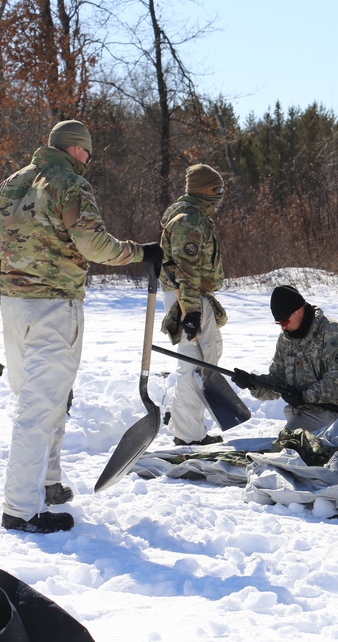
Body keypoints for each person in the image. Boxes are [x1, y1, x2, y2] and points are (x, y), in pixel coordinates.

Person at [0, 119, 161, 533]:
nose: (88, 161)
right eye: (87, 152)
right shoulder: (68, 183)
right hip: (54, 306)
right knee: (40, 407)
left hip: (13, 305)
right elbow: (94, 245)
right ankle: (20, 508)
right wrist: (140, 252)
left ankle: (48, 482)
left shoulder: (14, 181)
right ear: (75, 150)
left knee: (44, 398)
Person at [159, 164, 228, 447]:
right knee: (195, 364)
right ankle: (187, 435)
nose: (221, 196)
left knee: (205, 358)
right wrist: (192, 311)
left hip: (192, 296)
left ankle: (184, 423)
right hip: (188, 297)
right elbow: (184, 270)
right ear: (205, 191)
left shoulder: (194, 216)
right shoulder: (189, 221)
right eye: (218, 190)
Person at [231, 285, 338, 433]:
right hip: (303, 413)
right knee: (288, 442)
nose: (283, 328)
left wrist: (303, 397)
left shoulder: (330, 330)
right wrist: (253, 383)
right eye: (279, 324)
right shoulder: (286, 340)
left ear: (298, 311)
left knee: (289, 445)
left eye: (285, 322)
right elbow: (278, 380)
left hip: (336, 412)